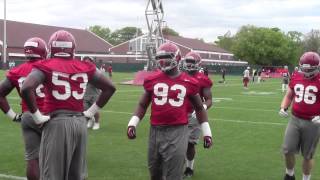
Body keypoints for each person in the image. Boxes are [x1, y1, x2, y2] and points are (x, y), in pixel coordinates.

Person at [21, 30, 116, 180]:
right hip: (79, 123)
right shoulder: (85, 66)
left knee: (52, 174)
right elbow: (110, 88)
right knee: (76, 175)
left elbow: (26, 88)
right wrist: (90, 112)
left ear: (52, 48)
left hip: (57, 122)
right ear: (73, 48)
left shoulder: (45, 65)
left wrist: (37, 116)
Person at [127, 42, 213, 180]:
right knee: (155, 172)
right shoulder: (152, 79)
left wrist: (207, 133)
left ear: (177, 58)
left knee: (174, 174)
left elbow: (198, 107)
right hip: (155, 130)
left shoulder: (189, 81)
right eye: (160, 57)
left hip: (178, 130)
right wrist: (132, 123)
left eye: (167, 56)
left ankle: (189, 167)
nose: (163, 60)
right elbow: (143, 104)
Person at [0, 37, 47, 180]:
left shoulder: (17, 70)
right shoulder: (49, 66)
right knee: (56, 157)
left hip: (28, 115)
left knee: (32, 159)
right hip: (49, 116)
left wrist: (13, 116)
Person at [279, 52, 320, 180]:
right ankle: (290, 174)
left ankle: (305, 179)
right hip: (295, 119)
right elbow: (289, 94)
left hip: (313, 122)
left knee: (307, 155)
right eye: (304, 68)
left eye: (309, 69)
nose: (306, 71)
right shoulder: (296, 75)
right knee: (287, 150)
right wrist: (283, 106)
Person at [181, 51, 213, 177]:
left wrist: (202, 107)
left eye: (192, 62)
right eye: (187, 62)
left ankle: (189, 168)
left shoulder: (203, 79)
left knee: (189, 144)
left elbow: (209, 99)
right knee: (176, 143)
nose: (189, 65)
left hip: (194, 115)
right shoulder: (179, 76)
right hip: (178, 113)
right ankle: (176, 166)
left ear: (198, 63)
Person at [83, 56, 101, 130]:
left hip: (95, 93)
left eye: (88, 61)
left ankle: (97, 123)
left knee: (95, 110)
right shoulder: (82, 70)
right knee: (85, 109)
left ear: (91, 61)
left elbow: (100, 81)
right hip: (85, 93)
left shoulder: (96, 70)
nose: (86, 63)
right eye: (85, 61)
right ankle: (90, 120)